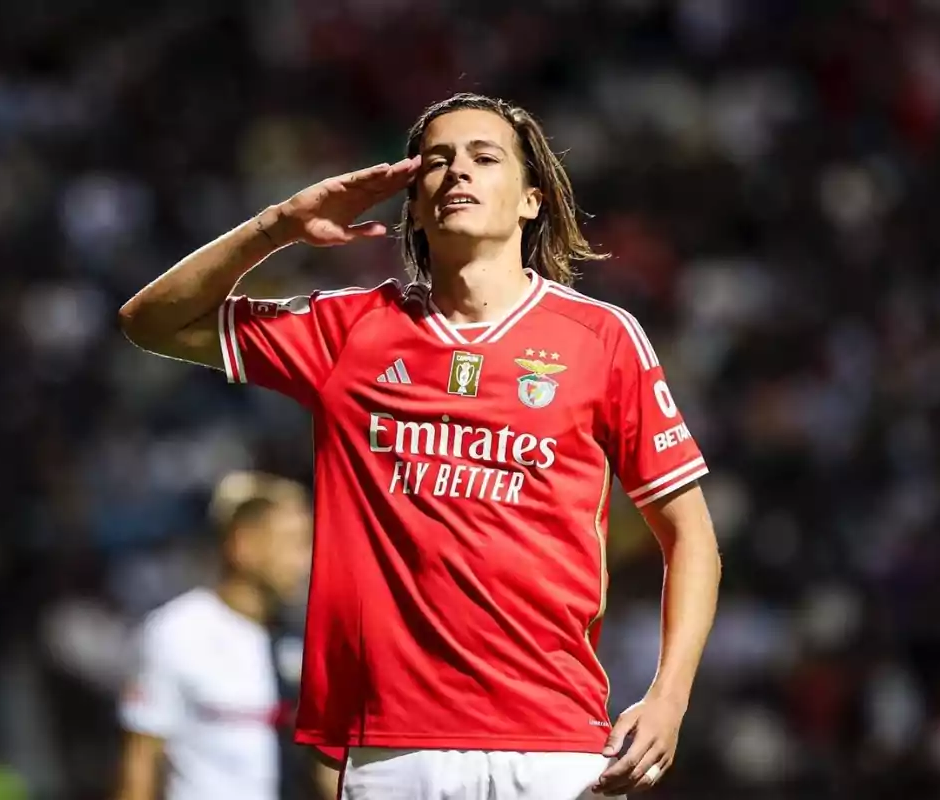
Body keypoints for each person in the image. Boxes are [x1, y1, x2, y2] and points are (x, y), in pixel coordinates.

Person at [119, 92, 722, 799]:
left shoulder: (602, 339)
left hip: (557, 748)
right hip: (393, 753)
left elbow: (692, 537)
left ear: (531, 200)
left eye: (483, 156)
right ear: (416, 202)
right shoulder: (348, 331)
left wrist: (670, 697)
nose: (457, 172)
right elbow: (149, 322)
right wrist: (278, 226)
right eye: (436, 161)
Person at [115, 471, 339, 800]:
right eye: (293, 543)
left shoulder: (308, 640)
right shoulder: (176, 633)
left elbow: (329, 771)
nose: (305, 563)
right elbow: (139, 771)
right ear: (243, 545)